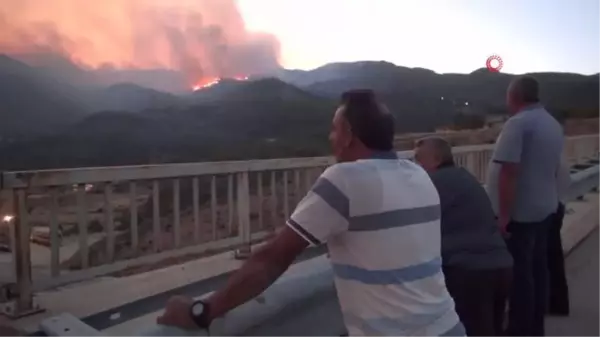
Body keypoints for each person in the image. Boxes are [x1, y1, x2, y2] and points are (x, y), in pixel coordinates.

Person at [156, 90, 465, 337]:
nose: (330, 138)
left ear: (347, 135)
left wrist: (202, 312)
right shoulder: (419, 175)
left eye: (334, 129)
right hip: (449, 325)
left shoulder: (344, 179)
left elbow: (272, 259)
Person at [486, 76, 564, 337]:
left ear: (515, 96)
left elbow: (509, 171)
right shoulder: (552, 124)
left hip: (521, 214)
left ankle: (520, 329)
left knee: (521, 276)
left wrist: (504, 215)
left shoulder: (518, 125)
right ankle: (535, 327)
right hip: (546, 207)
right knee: (539, 271)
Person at [414, 136, 513, 337]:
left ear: (436, 158)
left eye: (418, 158)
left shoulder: (431, 183)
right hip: (500, 265)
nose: (416, 165)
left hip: (469, 272)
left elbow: (412, 226)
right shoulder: (466, 177)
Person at [547, 159, 571, 316]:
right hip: (557, 205)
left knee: (547, 258)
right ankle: (558, 303)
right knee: (554, 257)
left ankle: (553, 302)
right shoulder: (558, 158)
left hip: (549, 209)